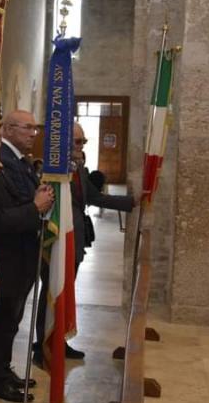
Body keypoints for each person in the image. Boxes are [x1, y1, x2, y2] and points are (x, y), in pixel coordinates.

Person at [34, 122, 136, 361]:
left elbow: (93, 196)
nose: (82, 147)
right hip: (55, 242)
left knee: (66, 291)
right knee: (51, 292)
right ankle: (44, 344)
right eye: (78, 142)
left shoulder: (78, 168)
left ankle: (59, 341)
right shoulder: (49, 170)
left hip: (75, 240)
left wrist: (131, 202)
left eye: (83, 142)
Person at [0, 110, 53, 403]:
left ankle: (2, 370)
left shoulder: (20, 164)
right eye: (27, 128)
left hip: (23, 257)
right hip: (3, 257)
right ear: (6, 129)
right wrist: (35, 209)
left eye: (36, 128)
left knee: (11, 321)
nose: (34, 133)